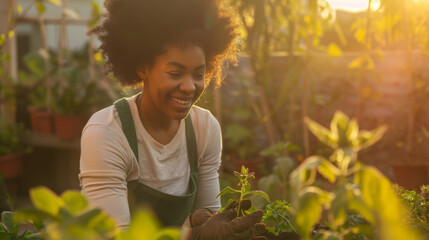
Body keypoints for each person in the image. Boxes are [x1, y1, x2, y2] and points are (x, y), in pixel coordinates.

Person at [79, 0, 268, 239]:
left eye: (199, 74)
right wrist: (193, 235)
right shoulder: (107, 133)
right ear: (142, 67)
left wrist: (209, 227)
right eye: (175, 73)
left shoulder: (204, 129)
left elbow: (209, 221)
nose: (190, 87)